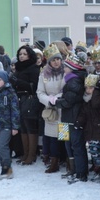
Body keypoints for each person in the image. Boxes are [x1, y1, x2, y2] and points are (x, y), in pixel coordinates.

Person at [56, 53, 88, 183]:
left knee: (76, 145)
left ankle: (81, 173)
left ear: (72, 68)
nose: (64, 69)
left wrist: (56, 102)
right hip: (66, 117)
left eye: (66, 66)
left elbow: (70, 100)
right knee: (67, 144)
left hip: (72, 118)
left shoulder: (74, 80)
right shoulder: (69, 79)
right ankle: (72, 169)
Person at [9, 45, 41, 166]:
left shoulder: (34, 68)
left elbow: (33, 86)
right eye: (20, 54)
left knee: (30, 127)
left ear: (29, 55)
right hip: (19, 99)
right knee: (22, 127)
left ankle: (31, 155)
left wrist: (17, 81)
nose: (21, 56)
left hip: (30, 99)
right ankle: (25, 153)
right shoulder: (18, 68)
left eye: (24, 54)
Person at [36, 44, 66, 173]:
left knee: (64, 136)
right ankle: (54, 162)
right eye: (53, 60)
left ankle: (66, 159)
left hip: (63, 108)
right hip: (50, 110)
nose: (56, 62)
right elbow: (40, 92)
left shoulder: (65, 72)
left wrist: (57, 98)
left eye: (58, 59)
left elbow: (66, 89)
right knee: (52, 137)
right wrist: (49, 100)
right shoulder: (44, 75)